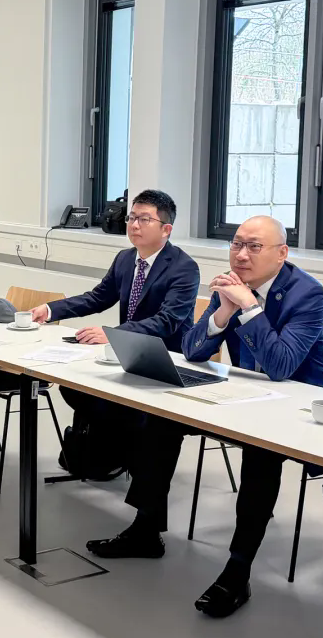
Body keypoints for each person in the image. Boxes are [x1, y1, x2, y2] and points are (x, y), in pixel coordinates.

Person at [86, 215, 323, 620]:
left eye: (254, 246)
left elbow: (281, 366)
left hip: (304, 408)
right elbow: (193, 350)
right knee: (161, 418)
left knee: (261, 453)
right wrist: (222, 313)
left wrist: (249, 307)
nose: (241, 255)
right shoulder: (231, 284)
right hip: (247, 397)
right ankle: (146, 528)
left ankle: (238, 570)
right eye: (236, 244)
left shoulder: (307, 293)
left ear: (282, 253)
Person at [29, 190, 199, 462]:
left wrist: (112, 335)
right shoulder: (125, 259)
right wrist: (51, 310)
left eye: (144, 219)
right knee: (74, 386)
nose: (134, 225)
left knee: (125, 408)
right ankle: (112, 452)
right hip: (127, 356)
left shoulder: (183, 267)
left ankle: (121, 453)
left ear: (166, 229)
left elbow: (167, 321)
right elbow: (98, 298)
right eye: (132, 218)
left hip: (165, 361)